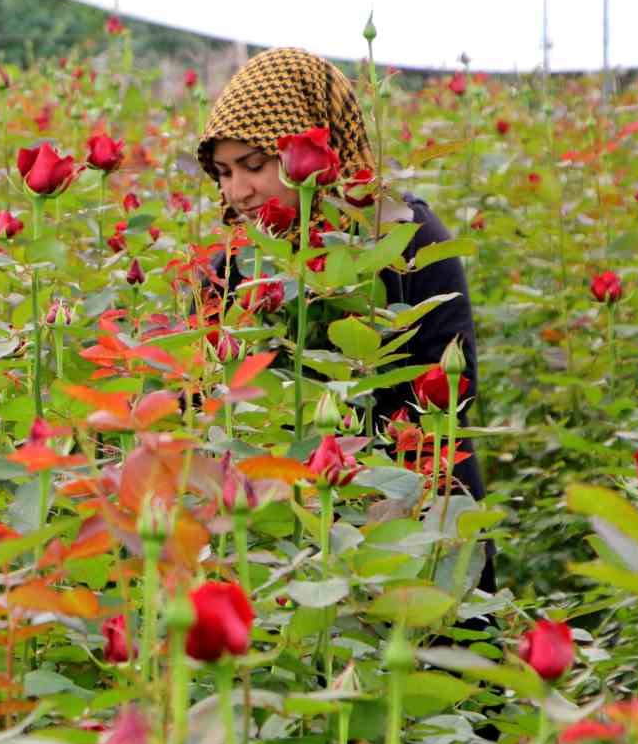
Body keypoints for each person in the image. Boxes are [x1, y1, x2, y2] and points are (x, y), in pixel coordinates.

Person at [195, 46, 495, 591]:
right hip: (273, 541)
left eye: (255, 166)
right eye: (223, 172)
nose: (237, 191)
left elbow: (444, 400)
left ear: (318, 146)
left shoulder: (406, 241)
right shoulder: (234, 270)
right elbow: (204, 406)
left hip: (406, 526)